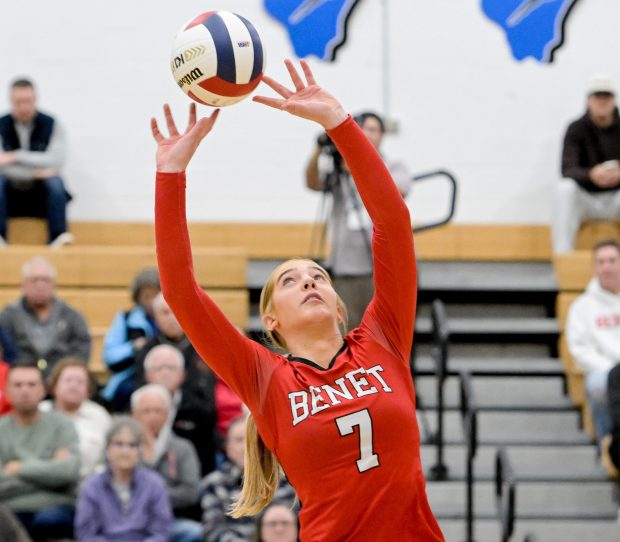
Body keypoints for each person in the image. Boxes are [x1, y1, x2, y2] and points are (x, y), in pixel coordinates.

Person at [152, 59, 443, 541]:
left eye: (318, 276)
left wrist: (339, 124)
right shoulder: (266, 378)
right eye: (289, 281)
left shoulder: (383, 339)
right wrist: (171, 173)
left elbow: (392, 224)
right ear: (271, 320)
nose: (309, 282)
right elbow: (181, 292)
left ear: (337, 303)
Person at [305, 110, 411, 327]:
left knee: (386, 331)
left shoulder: (395, 167)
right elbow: (312, 182)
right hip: (346, 267)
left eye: (374, 130)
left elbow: (397, 193)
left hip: (383, 267)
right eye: (364, 130)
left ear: (382, 135)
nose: (369, 135)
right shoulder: (340, 170)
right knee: (349, 332)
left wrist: (357, 163)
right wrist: (320, 149)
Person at [0, 365, 80, 541]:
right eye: (18, 385)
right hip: (9, 509)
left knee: (51, 521)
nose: (25, 391)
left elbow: (68, 472)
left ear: (43, 390)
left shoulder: (62, 425)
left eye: (31, 384)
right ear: (6, 391)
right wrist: (49, 470)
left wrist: (19, 468)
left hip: (56, 507)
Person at [0, 78, 73, 248]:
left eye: (28, 101)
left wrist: (15, 156)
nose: (24, 107)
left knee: (56, 182)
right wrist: (34, 172)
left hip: (41, 194)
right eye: (19, 102)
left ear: (35, 100)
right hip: (10, 194)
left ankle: (57, 236)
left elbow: (56, 160)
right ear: (11, 102)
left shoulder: (51, 123)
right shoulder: (1, 124)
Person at [75, 416, 173, 542]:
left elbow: (161, 532)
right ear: (107, 448)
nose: (125, 451)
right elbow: (86, 534)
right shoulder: (92, 487)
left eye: (132, 445)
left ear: (140, 451)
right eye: (119, 444)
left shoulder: (154, 484)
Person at [554, 73, 620, 253]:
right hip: (587, 199)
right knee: (564, 188)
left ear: (614, 100)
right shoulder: (576, 128)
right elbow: (567, 169)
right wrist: (592, 174)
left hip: (616, 199)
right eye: (597, 97)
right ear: (589, 100)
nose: (602, 102)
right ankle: (563, 256)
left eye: (607, 97)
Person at [201, 417, 295, 542]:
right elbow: (213, 532)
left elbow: (299, 525)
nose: (246, 446)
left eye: (251, 439)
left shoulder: (285, 480)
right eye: (239, 440)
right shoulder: (214, 484)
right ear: (228, 448)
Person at [131, 384, 204, 542]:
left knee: (196, 532)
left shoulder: (183, 448)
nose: (152, 416)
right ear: (134, 414)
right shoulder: (123, 446)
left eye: (158, 411)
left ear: (168, 415)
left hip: (172, 518)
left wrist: (151, 496)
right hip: (127, 518)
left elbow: (190, 492)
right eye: (146, 411)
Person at [566, 240, 620, 448]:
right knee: (597, 385)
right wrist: (612, 371)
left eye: (612, 260)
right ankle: (608, 441)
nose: (607, 266)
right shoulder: (582, 307)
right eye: (601, 262)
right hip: (604, 370)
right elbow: (580, 349)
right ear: (594, 267)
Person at [0, 257, 91, 377]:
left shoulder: (72, 316)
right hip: (19, 380)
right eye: (34, 280)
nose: (40, 285)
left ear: (54, 285)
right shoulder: (8, 316)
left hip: (60, 380)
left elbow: (81, 351)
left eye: (45, 280)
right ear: (23, 285)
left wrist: (60, 376)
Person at [143, 344, 220, 476]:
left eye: (171, 368)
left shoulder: (200, 410)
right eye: (159, 368)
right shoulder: (136, 406)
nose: (165, 373)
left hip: (191, 478)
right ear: (147, 375)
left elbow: (207, 453)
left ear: (182, 374)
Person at [40, 358, 111, 479]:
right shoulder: (41, 411)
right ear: (54, 386)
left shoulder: (100, 416)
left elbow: (109, 457)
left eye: (80, 382)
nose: (73, 386)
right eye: (68, 380)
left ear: (88, 390)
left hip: (89, 483)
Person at [101, 267, 160, 411]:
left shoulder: (174, 319)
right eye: (147, 296)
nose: (152, 302)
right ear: (138, 297)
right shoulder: (125, 319)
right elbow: (110, 356)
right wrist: (133, 347)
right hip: (130, 377)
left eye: (156, 295)